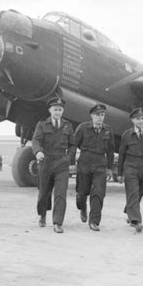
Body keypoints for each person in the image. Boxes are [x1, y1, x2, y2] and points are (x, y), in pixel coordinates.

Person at [32, 97, 76, 233]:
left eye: (60, 110)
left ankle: (58, 222)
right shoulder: (42, 125)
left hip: (61, 162)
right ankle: (42, 215)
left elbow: (73, 144)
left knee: (60, 193)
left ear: (63, 111)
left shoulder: (68, 126)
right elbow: (36, 140)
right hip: (46, 161)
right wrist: (38, 151)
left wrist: (68, 158)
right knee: (43, 193)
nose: (57, 112)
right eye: (55, 109)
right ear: (50, 110)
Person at [72, 103, 115, 231]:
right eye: (97, 115)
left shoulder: (108, 130)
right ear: (92, 115)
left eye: (102, 115)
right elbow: (74, 145)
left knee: (98, 192)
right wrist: (71, 164)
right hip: (85, 161)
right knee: (82, 191)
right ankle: (83, 206)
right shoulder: (83, 128)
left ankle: (94, 221)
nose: (100, 117)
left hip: (100, 163)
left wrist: (109, 168)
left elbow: (111, 151)